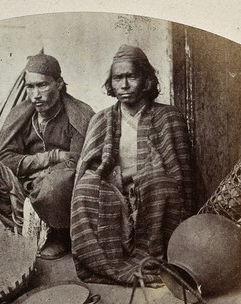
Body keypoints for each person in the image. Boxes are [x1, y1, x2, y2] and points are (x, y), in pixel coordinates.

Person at [71, 45, 195, 285]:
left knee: (160, 183)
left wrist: (149, 177)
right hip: (115, 189)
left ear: (146, 80)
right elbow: (88, 166)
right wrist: (107, 180)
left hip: (152, 189)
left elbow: (182, 172)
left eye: (131, 76)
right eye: (118, 78)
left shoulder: (169, 116)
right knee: (85, 189)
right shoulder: (102, 119)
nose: (124, 85)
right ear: (111, 82)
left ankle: (151, 258)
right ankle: (109, 264)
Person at [0, 53, 95, 259]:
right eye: (30, 87)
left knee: (57, 182)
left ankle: (60, 235)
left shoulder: (79, 114)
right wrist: (50, 157)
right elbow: (6, 158)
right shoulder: (22, 114)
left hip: (59, 189)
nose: (35, 94)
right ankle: (20, 230)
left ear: (59, 83)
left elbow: (78, 161)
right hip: (25, 185)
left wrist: (48, 173)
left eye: (42, 85)